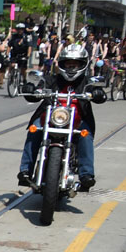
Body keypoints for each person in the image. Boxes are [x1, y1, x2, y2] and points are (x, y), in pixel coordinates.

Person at [18, 43, 96, 192]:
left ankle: (87, 175)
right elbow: (39, 90)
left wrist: (98, 94)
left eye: (75, 64)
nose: (71, 67)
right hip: (49, 118)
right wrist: (31, 90)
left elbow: (96, 92)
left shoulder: (86, 83)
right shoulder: (51, 80)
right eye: (68, 64)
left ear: (83, 65)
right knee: (34, 130)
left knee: (86, 136)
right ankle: (25, 171)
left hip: (78, 120)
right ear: (61, 64)